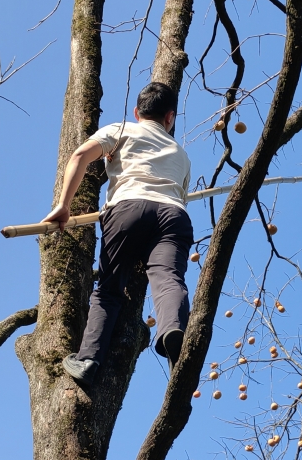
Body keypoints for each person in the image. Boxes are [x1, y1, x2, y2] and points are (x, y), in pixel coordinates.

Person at [42, 82, 193, 385]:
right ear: (170, 118)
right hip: (174, 213)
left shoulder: (123, 129)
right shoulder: (181, 153)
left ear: (137, 112)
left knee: (110, 289)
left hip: (128, 209)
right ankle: (173, 330)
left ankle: (87, 360)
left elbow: (80, 155)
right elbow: (179, 196)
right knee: (168, 278)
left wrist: (64, 205)